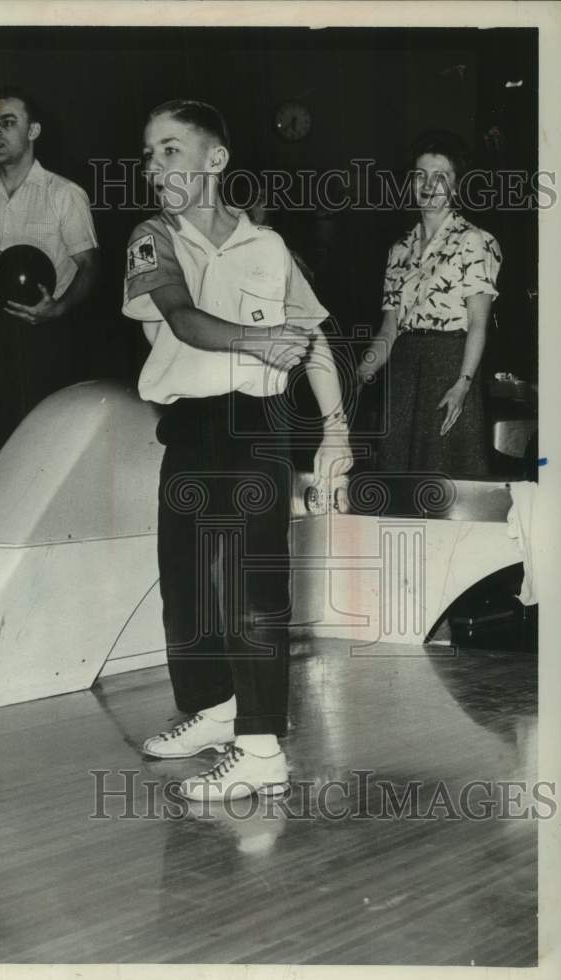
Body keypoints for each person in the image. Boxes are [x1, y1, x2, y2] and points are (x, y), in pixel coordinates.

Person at [122, 100, 352, 801]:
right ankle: (215, 708)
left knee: (253, 587)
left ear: (214, 159)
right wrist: (259, 340)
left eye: (169, 150)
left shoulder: (270, 249)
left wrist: (336, 428)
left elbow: (312, 338)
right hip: (191, 423)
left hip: (256, 424)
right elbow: (185, 320)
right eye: (148, 152)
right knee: (187, 584)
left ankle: (259, 750)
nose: (153, 166)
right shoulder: (151, 238)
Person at [0, 85, 99, 475]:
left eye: (8, 123)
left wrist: (58, 307)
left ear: (34, 131)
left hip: (44, 336)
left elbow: (91, 266)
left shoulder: (64, 195)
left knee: (44, 457)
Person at [357, 131, 502, 476]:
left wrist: (463, 383)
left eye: (441, 176)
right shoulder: (399, 250)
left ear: (456, 186)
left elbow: (478, 324)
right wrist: (362, 372)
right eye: (420, 174)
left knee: (447, 483)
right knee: (398, 481)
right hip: (405, 372)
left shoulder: (475, 241)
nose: (428, 184)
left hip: (450, 367)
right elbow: (389, 330)